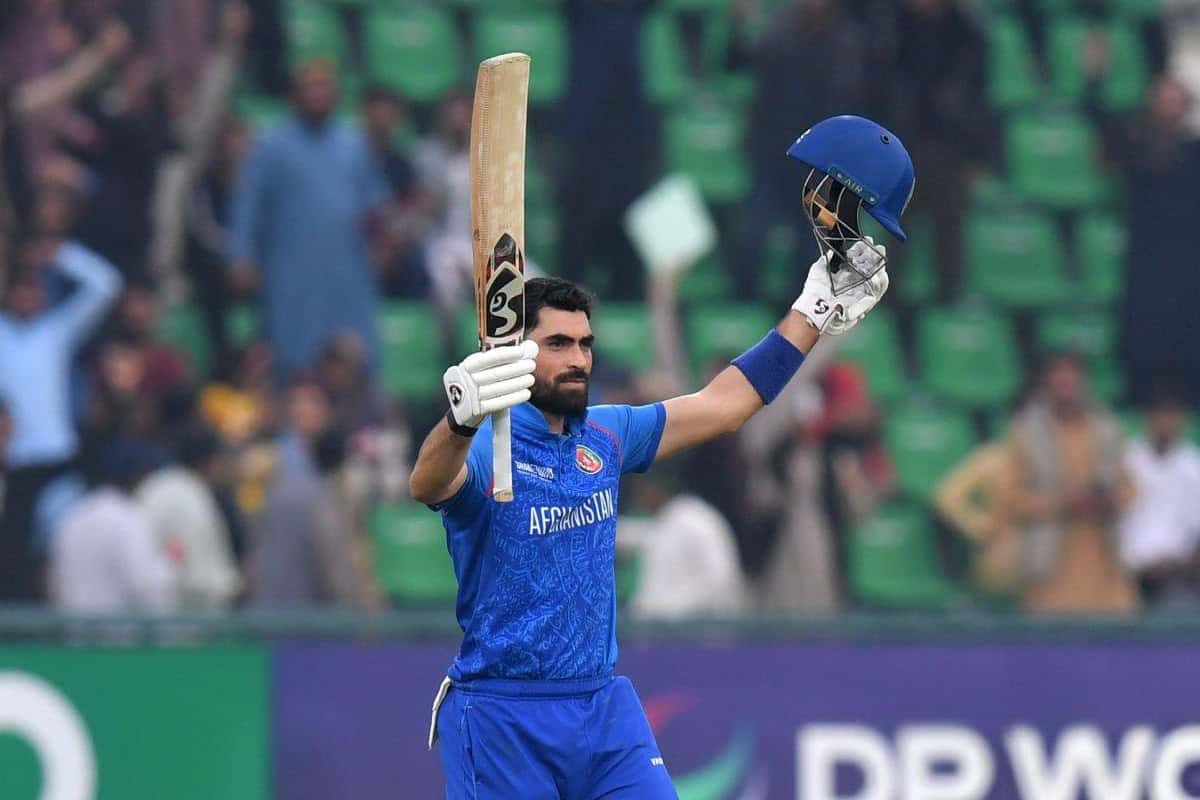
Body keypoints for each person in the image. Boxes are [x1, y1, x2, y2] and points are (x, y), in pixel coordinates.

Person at [411, 116, 910, 799]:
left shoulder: (609, 436)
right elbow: (427, 480)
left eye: (585, 344)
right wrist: (460, 419)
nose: (578, 358)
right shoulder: (491, 442)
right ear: (518, 351)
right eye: (558, 343)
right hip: (500, 712)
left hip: (601, 706)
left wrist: (813, 310)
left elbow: (726, 404)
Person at [228, 59, 389, 382]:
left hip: (346, 272)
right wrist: (241, 257)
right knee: (293, 359)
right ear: (295, 93)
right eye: (311, 87)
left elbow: (375, 208)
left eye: (325, 87)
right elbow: (247, 206)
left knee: (353, 357)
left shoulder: (353, 144)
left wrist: (382, 245)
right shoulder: (271, 145)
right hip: (290, 274)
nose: (318, 94)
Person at [0, 239, 122, 601]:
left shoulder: (55, 332)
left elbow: (107, 286)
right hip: (14, 463)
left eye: (32, 290)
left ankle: (62, 631)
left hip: (58, 459)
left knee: (64, 545)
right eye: (18, 291)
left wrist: (62, 254)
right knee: (14, 556)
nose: (26, 298)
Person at [999, 352, 1137, 614]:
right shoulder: (1026, 434)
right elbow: (1009, 499)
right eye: (1059, 385)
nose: (1066, 392)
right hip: (1049, 569)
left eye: (1072, 384)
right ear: (1046, 388)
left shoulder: (1108, 430)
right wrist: (1062, 503)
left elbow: (1130, 489)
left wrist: (1108, 499)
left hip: (1105, 566)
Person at [137, 425, 241, 611]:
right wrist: (234, 585)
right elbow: (199, 577)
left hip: (151, 613)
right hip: (184, 621)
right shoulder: (189, 496)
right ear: (209, 461)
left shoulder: (155, 485)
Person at [1119, 388, 1200, 609]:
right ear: (1147, 419)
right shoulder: (1126, 459)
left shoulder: (1193, 465)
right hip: (1123, 572)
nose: (1165, 423)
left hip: (1177, 574)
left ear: (1183, 421)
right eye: (1160, 416)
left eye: (1172, 416)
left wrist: (1184, 563)